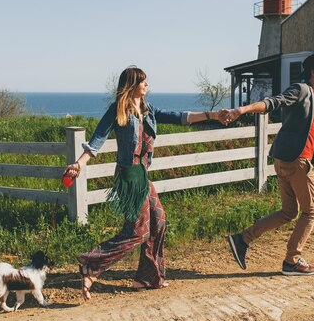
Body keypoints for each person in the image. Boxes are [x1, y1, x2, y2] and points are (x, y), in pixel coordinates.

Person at [64, 66, 227, 300]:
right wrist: (79, 163)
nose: (147, 85)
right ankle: (90, 264)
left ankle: (148, 277)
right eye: (143, 81)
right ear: (132, 85)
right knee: (137, 232)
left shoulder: (149, 110)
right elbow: (97, 140)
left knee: (159, 223)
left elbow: (182, 117)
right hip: (129, 177)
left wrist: (212, 115)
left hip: (143, 175)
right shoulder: (118, 110)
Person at [224, 52, 314, 276]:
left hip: (284, 160)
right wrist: (241, 110)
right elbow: (272, 102)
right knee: (313, 211)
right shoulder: (301, 90)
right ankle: (292, 260)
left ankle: (242, 239)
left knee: (289, 212)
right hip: (298, 161)